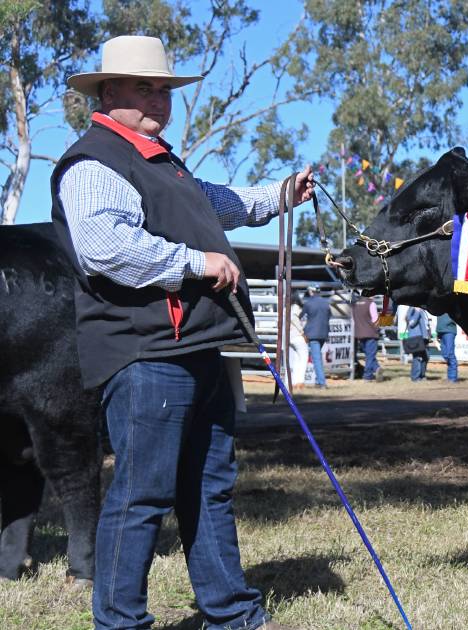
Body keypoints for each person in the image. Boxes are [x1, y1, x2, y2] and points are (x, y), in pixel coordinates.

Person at [50, 35, 312, 630]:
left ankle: (230, 612)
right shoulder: (93, 162)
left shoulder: (163, 162)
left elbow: (222, 203)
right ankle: (120, 622)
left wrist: (280, 194)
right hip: (145, 354)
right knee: (141, 497)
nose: (159, 100)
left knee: (209, 485)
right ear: (107, 91)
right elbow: (104, 247)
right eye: (145, 87)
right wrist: (194, 262)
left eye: (165, 89)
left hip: (194, 346)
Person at [300, 286, 331, 389]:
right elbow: (329, 315)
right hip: (324, 333)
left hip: (313, 334)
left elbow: (300, 316)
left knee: (316, 359)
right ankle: (318, 381)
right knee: (318, 358)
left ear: (310, 291)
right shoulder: (326, 302)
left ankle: (322, 383)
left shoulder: (308, 303)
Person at [352, 294, 381, 381]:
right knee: (370, 355)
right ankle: (367, 375)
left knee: (369, 355)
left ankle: (377, 368)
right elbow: (375, 319)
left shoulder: (355, 304)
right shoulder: (371, 303)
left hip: (359, 334)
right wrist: (378, 330)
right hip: (371, 333)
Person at [405, 306, 431, 381]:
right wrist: (417, 312)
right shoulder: (412, 309)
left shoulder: (422, 309)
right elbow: (411, 323)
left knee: (426, 357)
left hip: (423, 338)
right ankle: (415, 377)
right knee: (417, 358)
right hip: (416, 337)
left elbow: (425, 323)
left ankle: (422, 375)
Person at [436, 313, 459, 382]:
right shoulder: (439, 305)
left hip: (449, 330)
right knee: (445, 354)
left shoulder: (452, 303)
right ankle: (450, 377)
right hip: (440, 331)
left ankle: (452, 378)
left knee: (450, 354)